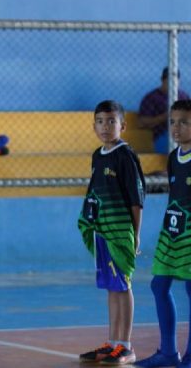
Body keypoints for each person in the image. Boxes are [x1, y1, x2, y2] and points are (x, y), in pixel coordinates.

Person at [77, 100, 145, 365]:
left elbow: (136, 199)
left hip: (119, 232)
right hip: (102, 231)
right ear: (93, 126)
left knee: (123, 286)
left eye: (111, 121)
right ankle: (113, 342)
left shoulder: (125, 156)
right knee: (111, 287)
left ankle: (126, 346)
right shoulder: (97, 155)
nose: (105, 126)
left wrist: (135, 233)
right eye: (100, 121)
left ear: (123, 126)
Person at [135, 99, 191, 368]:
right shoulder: (173, 157)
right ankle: (168, 352)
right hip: (172, 232)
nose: (176, 127)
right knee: (159, 285)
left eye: (184, 122)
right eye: (172, 122)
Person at [139, 67, 190, 154]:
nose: (172, 84)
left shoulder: (183, 96)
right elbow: (141, 123)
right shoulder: (152, 98)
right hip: (163, 135)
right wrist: (165, 116)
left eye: (175, 81)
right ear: (162, 80)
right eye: (169, 81)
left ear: (179, 81)